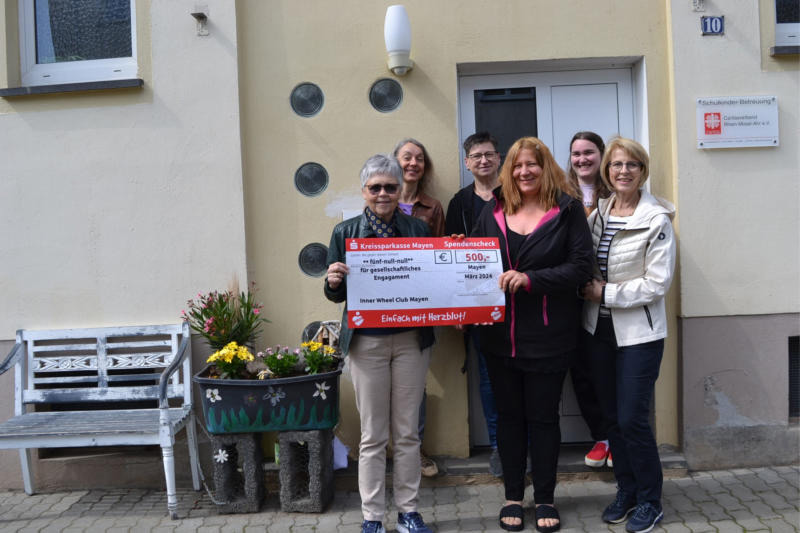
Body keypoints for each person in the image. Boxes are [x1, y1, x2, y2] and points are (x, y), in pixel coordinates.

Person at [472, 137, 593, 532]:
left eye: (533, 164)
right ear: (509, 170)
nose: (525, 172)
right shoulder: (493, 210)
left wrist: (531, 279)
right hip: (497, 337)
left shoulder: (567, 210)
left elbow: (580, 268)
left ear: (546, 167)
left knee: (542, 420)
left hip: (548, 337)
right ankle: (511, 495)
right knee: (508, 419)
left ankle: (544, 498)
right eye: (518, 165)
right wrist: (458, 256)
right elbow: (474, 258)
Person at [324, 154, 435, 533]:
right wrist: (333, 280)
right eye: (376, 188)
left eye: (390, 186)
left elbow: (432, 284)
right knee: (373, 435)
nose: (384, 193)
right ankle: (372, 516)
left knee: (407, 433)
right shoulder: (345, 234)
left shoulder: (418, 230)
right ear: (364, 192)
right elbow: (335, 296)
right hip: (366, 344)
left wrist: (450, 262)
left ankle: (408, 511)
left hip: (410, 341)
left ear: (399, 188)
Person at [581, 137, 676, 533]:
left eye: (632, 165)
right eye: (617, 164)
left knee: (633, 417)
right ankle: (627, 490)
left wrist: (606, 292)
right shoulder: (599, 212)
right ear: (607, 171)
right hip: (598, 329)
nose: (623, 171)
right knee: (612, 419)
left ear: (642, 171)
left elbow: (657, 282)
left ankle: (651, 500)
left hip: (639, 334)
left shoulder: (656, 219)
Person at [444, 131, 502, 477]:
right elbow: (451, 258)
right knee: (488, 377)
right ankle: (499, 444)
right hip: (478, 303)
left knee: (523, 372)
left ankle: (523, 443)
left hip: (517, 298)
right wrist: (459, 311)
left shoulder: (515, 194)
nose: (483, 160)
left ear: (499, 159)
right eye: (476, 156)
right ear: (467, 163)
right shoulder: (459, 203)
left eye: (489, 154)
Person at [393, 138, 445, 478]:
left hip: (421, 305)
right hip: (381, 306)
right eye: (407, 157)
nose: (413, 163)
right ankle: (388, 448)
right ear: (394, 162)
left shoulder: (433, 207)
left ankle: (417, 450)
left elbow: (440, 256)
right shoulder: (379, 198)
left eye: (420, 159)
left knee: (416, 384)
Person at [565, 131, 613, 469]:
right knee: (581, 371)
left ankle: (618, 437)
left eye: (589, 152)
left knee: (609, 370)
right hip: (570, 298)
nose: (582, 159)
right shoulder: (560, 195)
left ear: (601, 155)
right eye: (576, 153)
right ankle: (602, 436)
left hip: (609, 298)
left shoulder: (618, 193)